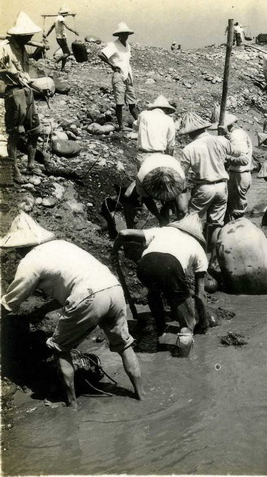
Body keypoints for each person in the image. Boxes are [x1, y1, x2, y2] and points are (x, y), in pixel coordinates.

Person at [0, 213, 143, 409]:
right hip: (113, 288)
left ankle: (71, 404)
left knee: (59, 348)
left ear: (19, 247)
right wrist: (44, 309)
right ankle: (141, 396)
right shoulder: (63, 245)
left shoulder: (29, 261)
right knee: (124, 344)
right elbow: (74, 283)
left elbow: (10, 302)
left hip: (89, 295)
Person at [112, 214, 209, 353]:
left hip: (145, 265)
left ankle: (161, 329)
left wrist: (114, 251)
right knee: (188, 321)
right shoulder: (198, 248)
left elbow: (123, 233)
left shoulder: (162, 231)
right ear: (199, 234)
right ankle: (182, 360)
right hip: (171, 267)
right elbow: (200, 295)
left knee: (154, 290)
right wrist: (203, 323)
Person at [178, 112, 246, 258]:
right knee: (216, 225)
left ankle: (192, 255)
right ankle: (213, 258)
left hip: (204, 187)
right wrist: (226, 137)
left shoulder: (188, 149)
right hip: (222, 186)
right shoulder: (220, 140)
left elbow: (181, 175)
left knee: (193, 222)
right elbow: (239, 152)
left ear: (190, 133)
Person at [0, 12, 44, 183]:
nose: (30, 37)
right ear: (20, 35)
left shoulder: (24, 48)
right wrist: (6, 71)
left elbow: (26, 70)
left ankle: (31, 165)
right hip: (14, 93)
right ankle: (14, 171)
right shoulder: (5, 48)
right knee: (15, 133)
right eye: (28, 35)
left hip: (27, 91)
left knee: (35, 129)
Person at [122, 153, 188, 228]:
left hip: (169, 161)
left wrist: (167, 206)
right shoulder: (142, 177)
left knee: (183, 210)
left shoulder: (180, 177)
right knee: (127, 195)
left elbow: (182, 195)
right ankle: (134, 184)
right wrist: (159, 217)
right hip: (148, 162)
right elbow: (147, 199)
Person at [213, 114, 253, 221]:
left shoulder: (236, 136)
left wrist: (225, 158)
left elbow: (243, 160)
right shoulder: (236, 134)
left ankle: (238, 231)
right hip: (239, 174)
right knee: (232, 206)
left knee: (237, 210)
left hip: (239, 174)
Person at [98, 22, 138, 130]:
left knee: (132, 101)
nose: (125, 36)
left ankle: (140, 124)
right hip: (119, 74)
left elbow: (126, 61)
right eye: (123, 34)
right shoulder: (114, 45)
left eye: (126, 34)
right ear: (119, 35)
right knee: (120, 101)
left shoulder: (127, 46)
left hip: (128, 74)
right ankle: (121, 125)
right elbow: (101, 54)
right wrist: (112, 65)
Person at [44, 6, 78, 72]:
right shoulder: (61, 19)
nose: (67, 14)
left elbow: (51, 28)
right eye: (67, 13)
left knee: (65, 53)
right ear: (64, 13)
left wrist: (46, 35)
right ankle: (56, 62)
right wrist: (74, 31)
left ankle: (62, 68)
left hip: (59, 38)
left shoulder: (56, 19)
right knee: (67, 53)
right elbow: (67, 26)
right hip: (61, 38)